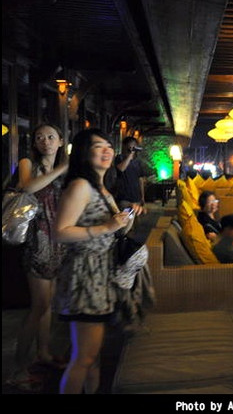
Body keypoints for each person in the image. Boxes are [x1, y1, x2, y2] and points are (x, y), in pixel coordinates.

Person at [54, 129, 139, 394]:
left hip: (101, 275)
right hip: (84, 276)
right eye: (98, 146)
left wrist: (126, 219)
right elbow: (60, 232)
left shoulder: (102, 189)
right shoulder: (80, 186)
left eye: (109, 146)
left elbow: (111, 229)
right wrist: (105, 227)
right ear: (83, 153)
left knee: (93, 357)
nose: (107, 150)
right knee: (84, 358)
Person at [5, 124, 69, 392]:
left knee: (48, 304)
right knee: (39, 305)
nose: (46, 141)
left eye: (51, 137)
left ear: (60, 141)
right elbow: (28, 187)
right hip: (36, 241)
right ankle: (18, 369)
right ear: (34, 143)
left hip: (57, 241)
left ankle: (43, 353)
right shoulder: (27, 163)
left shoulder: (64, 169)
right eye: (40, 138)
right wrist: (62, 168)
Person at [114, 136, 149, 216]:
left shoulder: (137, 162)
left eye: (134, 145)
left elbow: (140, 179)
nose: (133, 147)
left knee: (134, 219)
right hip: (124, 198)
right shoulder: (119, 158)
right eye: (131, 145)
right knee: (125, 219)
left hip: (136, 197)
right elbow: (121, 169)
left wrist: (142, 196)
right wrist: (130, 155)